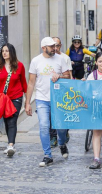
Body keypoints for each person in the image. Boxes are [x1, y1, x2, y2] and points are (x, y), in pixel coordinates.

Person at [25, 37, 70, 167]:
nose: (54, 48)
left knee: (61, 127)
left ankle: (62, 143)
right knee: (44, 126)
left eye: (55, 46)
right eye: (51, 47)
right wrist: (28, 103)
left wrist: (59, 76)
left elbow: (68, 76)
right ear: (44, 48)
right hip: (42, 99)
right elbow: (31, 83)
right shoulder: (36, 61)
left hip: (58, 99)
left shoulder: (60, 59)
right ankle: (47, 155)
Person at [0, 43, 27, 157]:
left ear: (11, 52)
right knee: (7, 121)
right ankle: (10, 144)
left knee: (12, 120)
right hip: (3, 99)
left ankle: (10, 145)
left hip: (16, 97)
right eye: (3, 51)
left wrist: (27, 102)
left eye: (7, 51)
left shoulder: (19, 66)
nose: (4, 53)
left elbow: (24, 83)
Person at [50, 37, 73, 147]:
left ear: (60, 46)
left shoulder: (65, 58)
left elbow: (69, 75)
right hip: (50, 92)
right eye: (53, 45)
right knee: (51, 115)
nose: (55, 48)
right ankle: (54, 136)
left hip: (63, 90)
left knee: (63, 113)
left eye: (57, 45)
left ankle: (64, 131)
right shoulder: (47, 58)